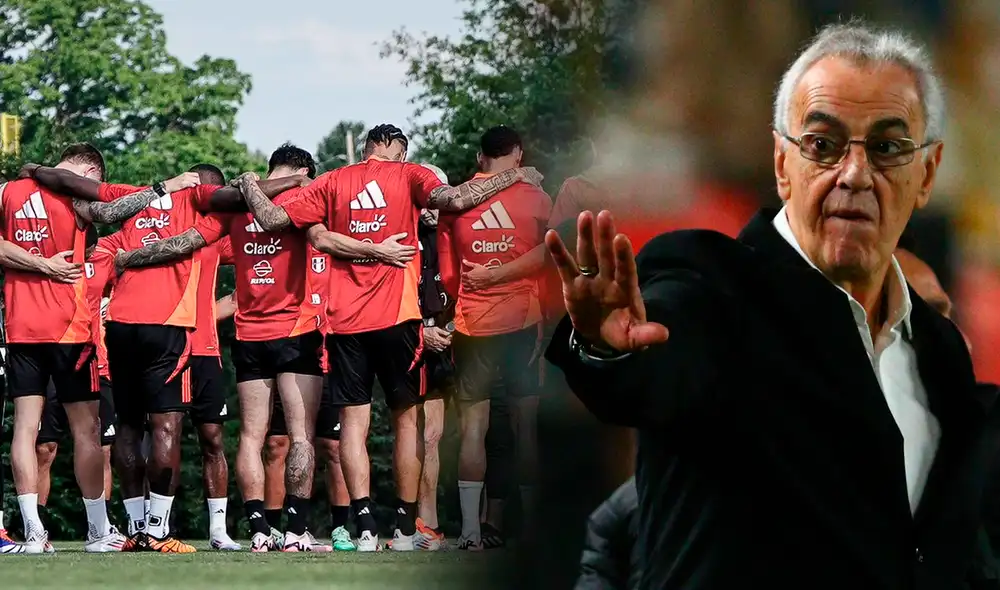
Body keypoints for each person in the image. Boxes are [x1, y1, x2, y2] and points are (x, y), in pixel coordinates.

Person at [543, 21, 998, 588]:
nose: (855, 174)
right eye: (823, 145)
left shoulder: (941, 354)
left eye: (886, 148)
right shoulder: (711, 284)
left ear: (926, 173)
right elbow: (662, 356)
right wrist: (608, 350)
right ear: (782, 163)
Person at [234, 123, 544, 551]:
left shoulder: (333, 180)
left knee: (353, 428)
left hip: (345, 324)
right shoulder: (411, 173)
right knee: (407, 424)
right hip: (399, 318)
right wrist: (516, 175)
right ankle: (404, 529)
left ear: (366, 149)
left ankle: (364, 529)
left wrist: (249, 183)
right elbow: (457, 199)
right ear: (399, 153)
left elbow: (271, 220)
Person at [28, 159, 305, 553]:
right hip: (169, 328)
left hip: (122, 326)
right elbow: (241, 198)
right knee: (165, 427)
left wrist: (35, 170)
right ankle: (157, 530)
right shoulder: (199, 201)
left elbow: (80, 195)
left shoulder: (135, 199)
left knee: (133, 427)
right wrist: (297, 182)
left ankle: (141, 527)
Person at [0, 144, 155, 554]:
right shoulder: (78, 197)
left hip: (20, 327)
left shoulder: (7, 191)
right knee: (86, 431)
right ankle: (98, 531)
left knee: (25, 428)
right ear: (89, 172)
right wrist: (164, 188)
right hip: (70, 332)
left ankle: (33, 533)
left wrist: (34, 263)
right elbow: (117, 209)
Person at [437, 125, 551, 550]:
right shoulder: (537, 197)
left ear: (479, 156)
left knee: (473, 429)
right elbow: (551, 255)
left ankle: (470, 532)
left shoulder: (458, 201)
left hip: (473, 325)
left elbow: (449, 276)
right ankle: (535, 533)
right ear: (518, 154)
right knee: (527, 429)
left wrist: (476, 285)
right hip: (524, 321)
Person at [34, 225, 121, 553]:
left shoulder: (106, 261)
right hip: (52, 359)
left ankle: (101, 526)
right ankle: (37, 528)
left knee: (102, 447)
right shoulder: (50, 257)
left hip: (94, 362)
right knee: (45, 448)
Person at [414, 163, 452, 551]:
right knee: (419, 435)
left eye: (435, 197)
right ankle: (419, 525)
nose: (429, 206)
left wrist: (452, 330)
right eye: (423, 198)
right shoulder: (403, 237)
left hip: (456, 340)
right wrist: (420, 333)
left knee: (443, 436)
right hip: (411, 342)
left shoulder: (458, 232)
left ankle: (473, 528)